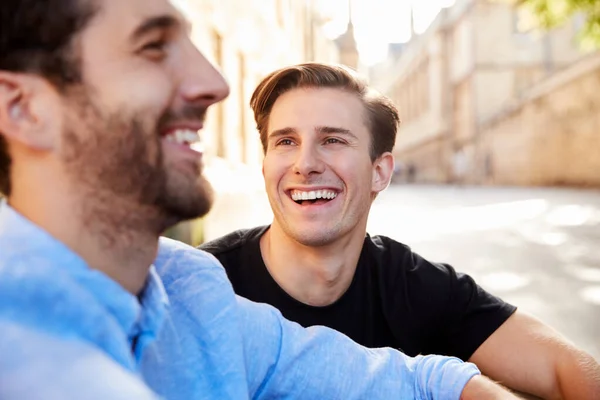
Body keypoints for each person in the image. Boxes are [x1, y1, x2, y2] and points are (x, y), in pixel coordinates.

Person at [0, 1, 523, 399]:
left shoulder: (191, 291)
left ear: (379, 171)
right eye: (152, 47)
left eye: (334, 140)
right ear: (24, 108)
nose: (215, 83)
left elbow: (415, 378)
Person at [200, 62, 600, 399]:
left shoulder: (416, 286)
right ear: (266, 164)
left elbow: (568, 369)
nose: (305, 163)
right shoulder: (201, 285)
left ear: (380, 172)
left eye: (333, 140)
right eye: (285, 141)